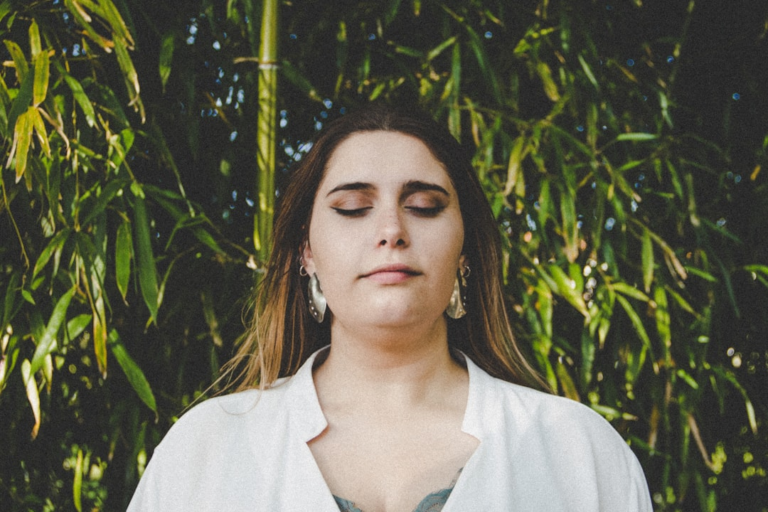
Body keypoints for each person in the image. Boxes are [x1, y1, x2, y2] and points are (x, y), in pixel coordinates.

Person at [127, 105, 652, 511]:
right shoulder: (206, 449)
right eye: (353, 208)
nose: (391, 232)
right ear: (306, 252)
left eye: (423, 206)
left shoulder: (577, 451)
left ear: (465, 249)